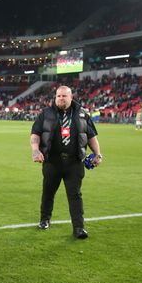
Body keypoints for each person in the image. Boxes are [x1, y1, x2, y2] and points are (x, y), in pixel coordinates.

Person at [30, 85, 102, 239]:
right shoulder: (46, 113)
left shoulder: (82, 114)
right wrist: (35, 150)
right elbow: (35, 134)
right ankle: (44, 220)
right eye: (58, 96)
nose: (61, 98)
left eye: (64, 96)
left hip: (74, 162)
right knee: (48, 192)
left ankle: (79, 228)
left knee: (75, 195)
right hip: (52, 161)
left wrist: (98, 154)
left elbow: (91, 136)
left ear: (71, 97)